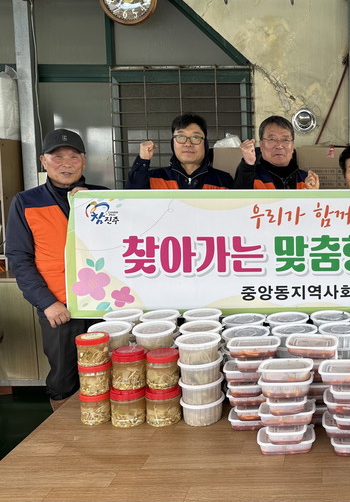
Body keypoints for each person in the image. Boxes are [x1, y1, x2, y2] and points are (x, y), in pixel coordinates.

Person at [5, 129, 108, 410]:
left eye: (74, 157)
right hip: (60, 307)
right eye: (57, 157)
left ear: (84, 161)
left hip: (104, 304)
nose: (66, 163)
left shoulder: (103, 196)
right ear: (43, 161)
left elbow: (125, 244)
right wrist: (47, 302)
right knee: (63, 379)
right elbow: (19, 258)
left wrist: (92, 205)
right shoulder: (26, 201)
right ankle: (67, 430)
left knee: (107, 370)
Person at [126, 113, 235, 189]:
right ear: (173, 143)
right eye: (181, 137)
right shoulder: (154, 178)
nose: (188, 143)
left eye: (195, 137)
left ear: (205, 143)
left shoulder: (223, 180)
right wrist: (142, 161)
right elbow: (132, 203)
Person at [233, 115, 319, 189]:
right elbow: (238, 199)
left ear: (292, 146)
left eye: (285, 140)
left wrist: (313, 195)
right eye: (272, 139)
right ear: (261, 145)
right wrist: (248, 164)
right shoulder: (250, 177)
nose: (279, 146)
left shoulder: (306, 180)